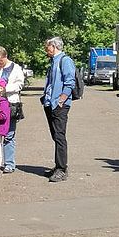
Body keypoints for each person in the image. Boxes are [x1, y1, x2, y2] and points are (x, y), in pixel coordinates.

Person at [41, 37, 75, 182]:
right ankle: (58, 166)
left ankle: (62, 169)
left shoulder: (65, 60)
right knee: (55, 136)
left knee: (60, 137)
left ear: (54, 46)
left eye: (47, 46)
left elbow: (70, 82)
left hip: (59, 105)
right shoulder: (53, 61)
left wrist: (60, 100)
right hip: (50, 103)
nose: (45, 49)